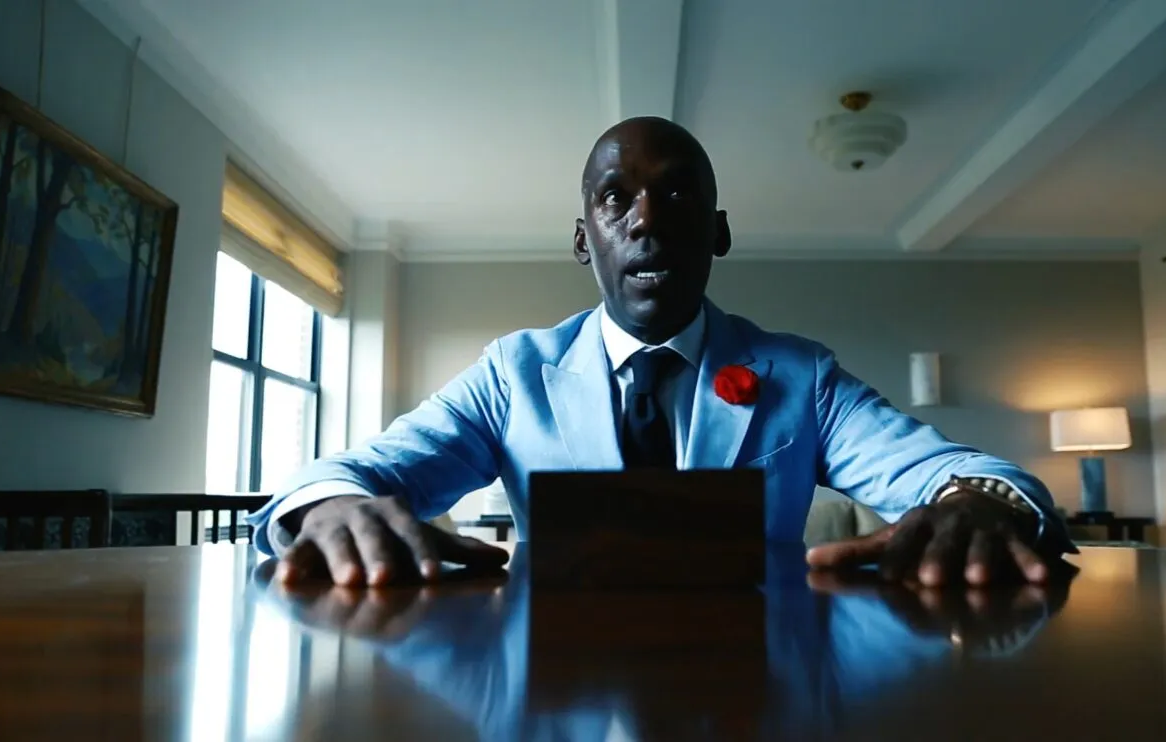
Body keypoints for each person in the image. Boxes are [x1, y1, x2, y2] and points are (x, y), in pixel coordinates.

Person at [247, 116, 1073, 587]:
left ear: (715, 231)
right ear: (585, 240)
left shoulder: (803, 376)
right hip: (559, 698)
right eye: (617, 200)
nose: (646, 218)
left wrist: (982, 502)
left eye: (677, 192)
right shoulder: (512, 374)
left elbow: (961, 472)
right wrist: (327, 508)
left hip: (764, 697)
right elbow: (349, 476)